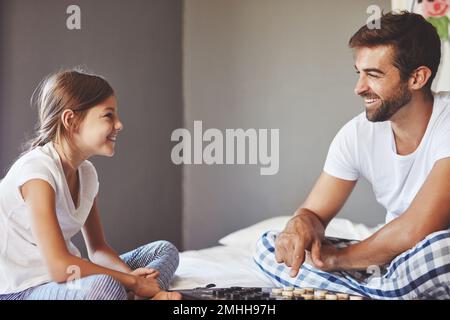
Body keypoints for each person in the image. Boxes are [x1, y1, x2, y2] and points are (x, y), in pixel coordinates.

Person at [254, 11, 450, 299]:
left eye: (373, 75)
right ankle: (382, 291)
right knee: (268, 247)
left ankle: (364, 291)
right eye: (359, 73)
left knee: (442, 251)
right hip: (392, 263)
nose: (359, 88)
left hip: (431, 253)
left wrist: (335, 260)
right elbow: (313, 213)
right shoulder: (357, 134)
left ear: (417, 78)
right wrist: (298, 227)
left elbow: (417, 230)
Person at [0, 69, 181, 300]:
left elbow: (98, 250)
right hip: (21, 290)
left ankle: (141, 296)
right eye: (108, 115)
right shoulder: (37, 172)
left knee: (165, 250)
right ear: (71, 120)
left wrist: (136, 282)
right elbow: (58, 266)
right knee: (104, 287)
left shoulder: (86, 173)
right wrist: (132, 282)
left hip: (68, 277)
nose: (119, 125)